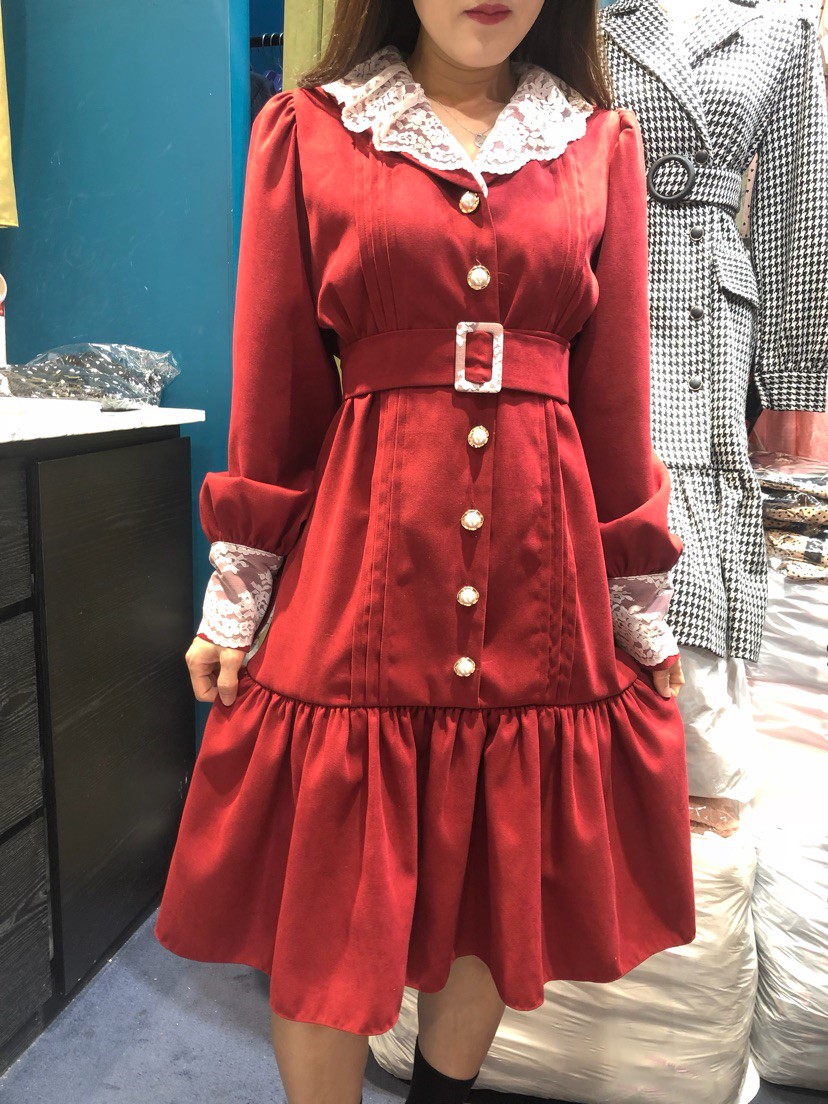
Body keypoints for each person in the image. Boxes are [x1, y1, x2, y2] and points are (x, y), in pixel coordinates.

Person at [154, 2, 696, 1102]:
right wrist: (238, 591)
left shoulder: (598, 144)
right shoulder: (310, 130)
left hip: (540, 577)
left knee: (496, 873)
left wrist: (638, 599)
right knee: (326, 887)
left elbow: (615, 396)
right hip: (361, 565)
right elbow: (277, 384)